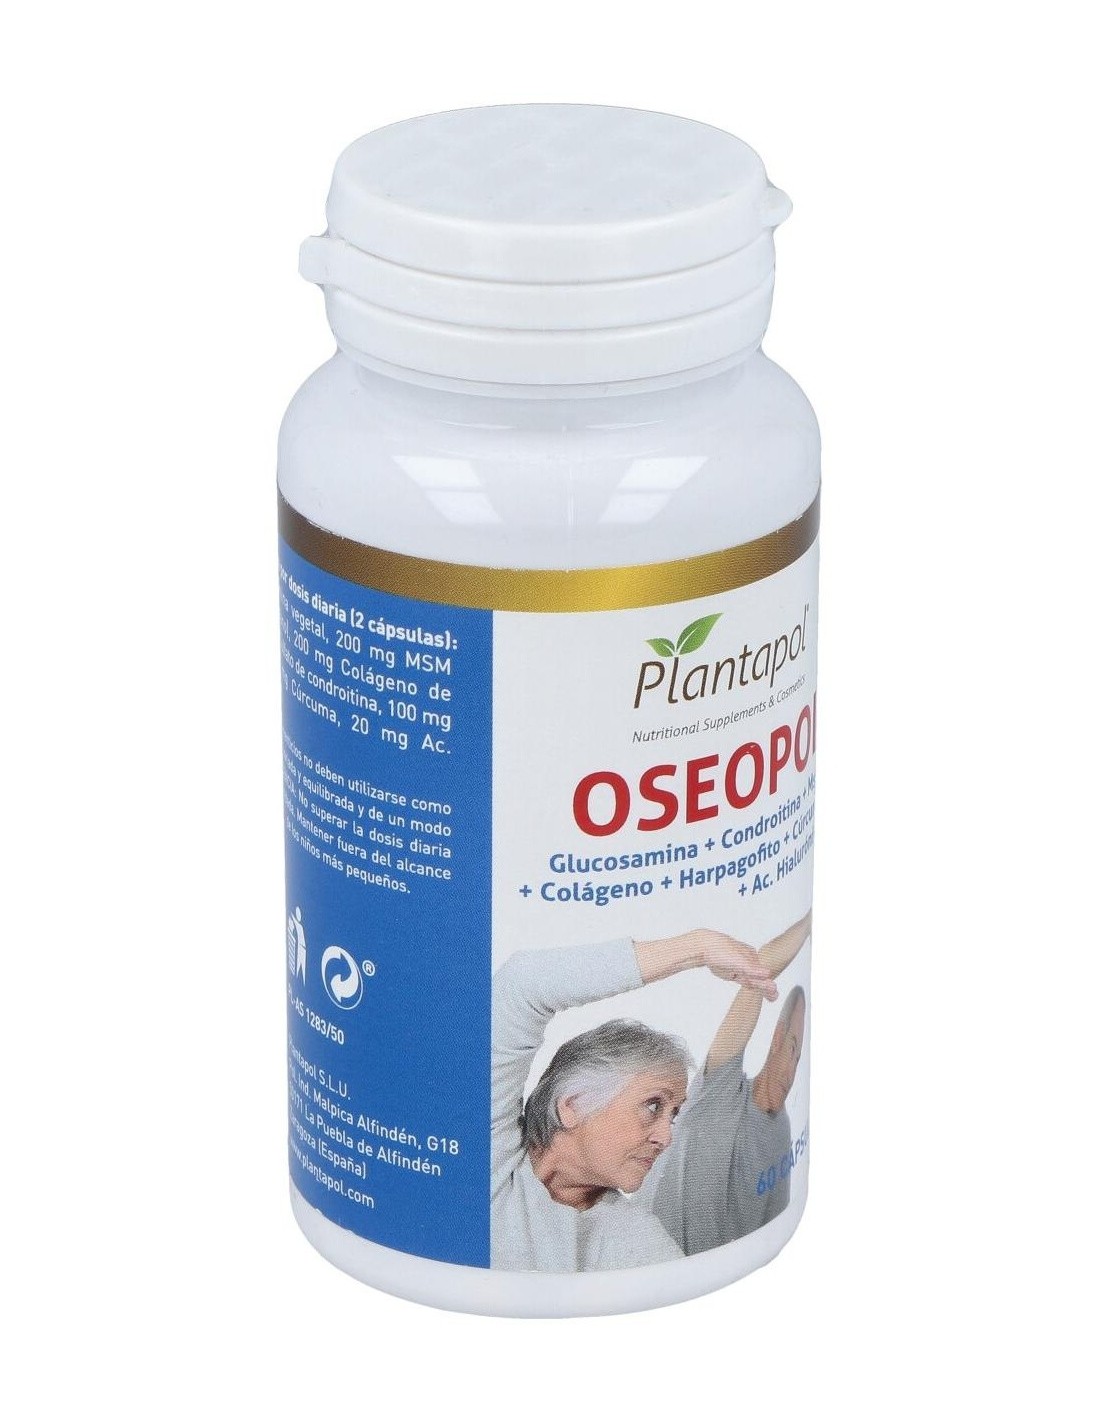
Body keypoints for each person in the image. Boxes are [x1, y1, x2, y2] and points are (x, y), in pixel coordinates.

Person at [491, 929, 778, 1272]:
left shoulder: (639, 1241)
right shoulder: (485, 1155)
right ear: (571, 1105)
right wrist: (698, 947)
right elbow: (521, 986)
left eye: (673, 1115)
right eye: (654, 1106)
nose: (666, 1138)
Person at [643, 910, 811, 1255]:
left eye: (800, 1057)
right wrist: (810, 921)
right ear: (776, 1039)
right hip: (644, 1256)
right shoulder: (721, 1090)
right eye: (792, 1048)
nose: (791, 1070)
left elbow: (772, 1222)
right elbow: (761, 967)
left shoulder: (782, 1132)